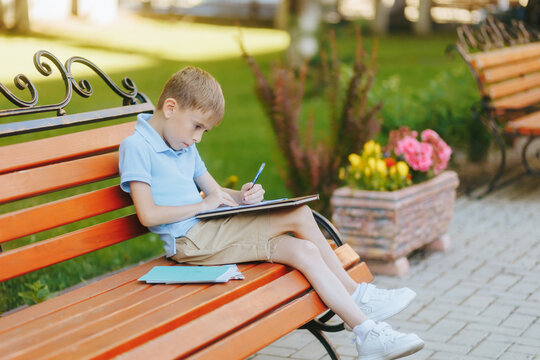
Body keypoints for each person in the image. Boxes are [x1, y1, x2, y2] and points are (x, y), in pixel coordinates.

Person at [119, 66, 424, 359]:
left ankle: (366, 333)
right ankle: (359, 296)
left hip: (211, 228)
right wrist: (203, 206)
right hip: (190, 241)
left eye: (204, 131)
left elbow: (218, 195)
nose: (198, 137)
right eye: (197, 126)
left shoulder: (184, 145)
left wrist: (245, 196)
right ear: (170, 108)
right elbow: (148, 215)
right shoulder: (137, 147)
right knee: (300, 214)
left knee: (303, 250)